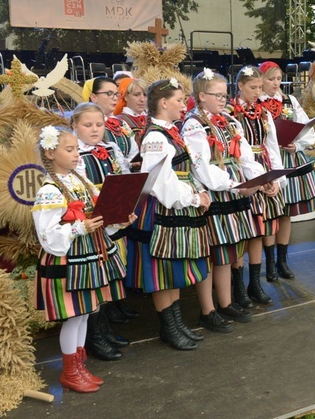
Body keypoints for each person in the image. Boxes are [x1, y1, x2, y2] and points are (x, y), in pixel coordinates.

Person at [32, 126, 135, 393]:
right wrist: (79, 228)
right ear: (50, 152)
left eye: (77, 148)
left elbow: (99, 216)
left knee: (85, 313)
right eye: (70, 149)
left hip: (88, 254)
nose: (77, 154)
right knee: (74, 315)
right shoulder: (50, 190)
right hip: (68, 259)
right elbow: (46, 235)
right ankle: (70, 371)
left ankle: (78, 366)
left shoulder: (81, 180)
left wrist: (117, 218)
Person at [125, 78, 212, 351]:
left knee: (172, 269)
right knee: (161, 271)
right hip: (162, 210)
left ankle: (176, 323)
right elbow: (160, 183)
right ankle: (168, 327)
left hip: (175, 209)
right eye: (178, 100)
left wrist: (197, 191)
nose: (183, 105)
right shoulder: (154, 137)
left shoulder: (169, 132)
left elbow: (180, 172)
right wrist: (193, 197)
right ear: (163, 103)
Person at [182, 69, 261, 326]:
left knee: (228, 251)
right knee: (211, 253)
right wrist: (236, 185)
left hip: (235, 189)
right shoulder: (194, 124)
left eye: (225, 95)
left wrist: (260, 179)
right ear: (202, 96)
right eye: (218, 95)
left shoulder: (228, 120)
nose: (224, 99)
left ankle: (226, 303)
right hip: (217, 192)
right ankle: (208, 310)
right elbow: (201, 167)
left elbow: (246, 155)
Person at [71, 103, 131, 361]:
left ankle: (104, 329)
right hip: (89, 219)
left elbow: (124, 176)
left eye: (99, 124)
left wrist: (125, 205)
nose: (95, 129)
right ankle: (93, 337)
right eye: (88, 125)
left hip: (111, 215)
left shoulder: (110, 148)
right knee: (94, 279)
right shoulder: (75, 154)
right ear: (74, 126)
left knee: (106, 277)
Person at [226, 67, 285, 306]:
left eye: (260, 87)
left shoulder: (263, 112)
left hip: (264, 167)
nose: (258, 92)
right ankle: (238, 286)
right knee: (244, 229)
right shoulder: (230, 112)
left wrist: (277, 178)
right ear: (239, 86)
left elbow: (272, 146)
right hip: (242, 171)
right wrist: (255, 180)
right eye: (253, 88)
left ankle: (255, 283)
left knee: (261, 229)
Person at [259, 61, 315, 281]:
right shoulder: (256, 103)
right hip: (267, 161)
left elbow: (305, 127)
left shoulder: (289, 100)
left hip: (288, 158)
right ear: (261, 80)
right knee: (268, 214)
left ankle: (282, 261)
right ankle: (269, 263)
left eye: (278, 79)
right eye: (270, 79)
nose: (275, 83)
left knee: (285, 213)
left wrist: (297, 144)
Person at [83, 76, 139, 173]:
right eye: (109, 93)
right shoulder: (85, 124)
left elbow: (134, 152)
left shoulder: (121, 123)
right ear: (94, 97)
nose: (115, 98)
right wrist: (128, 164)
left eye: (116, 94)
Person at [113, 77, 149, 156]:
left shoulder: (152, 118)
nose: (142, 99)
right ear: (125, 97)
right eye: (136, 95)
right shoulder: (119, 121)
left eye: (145, 95)